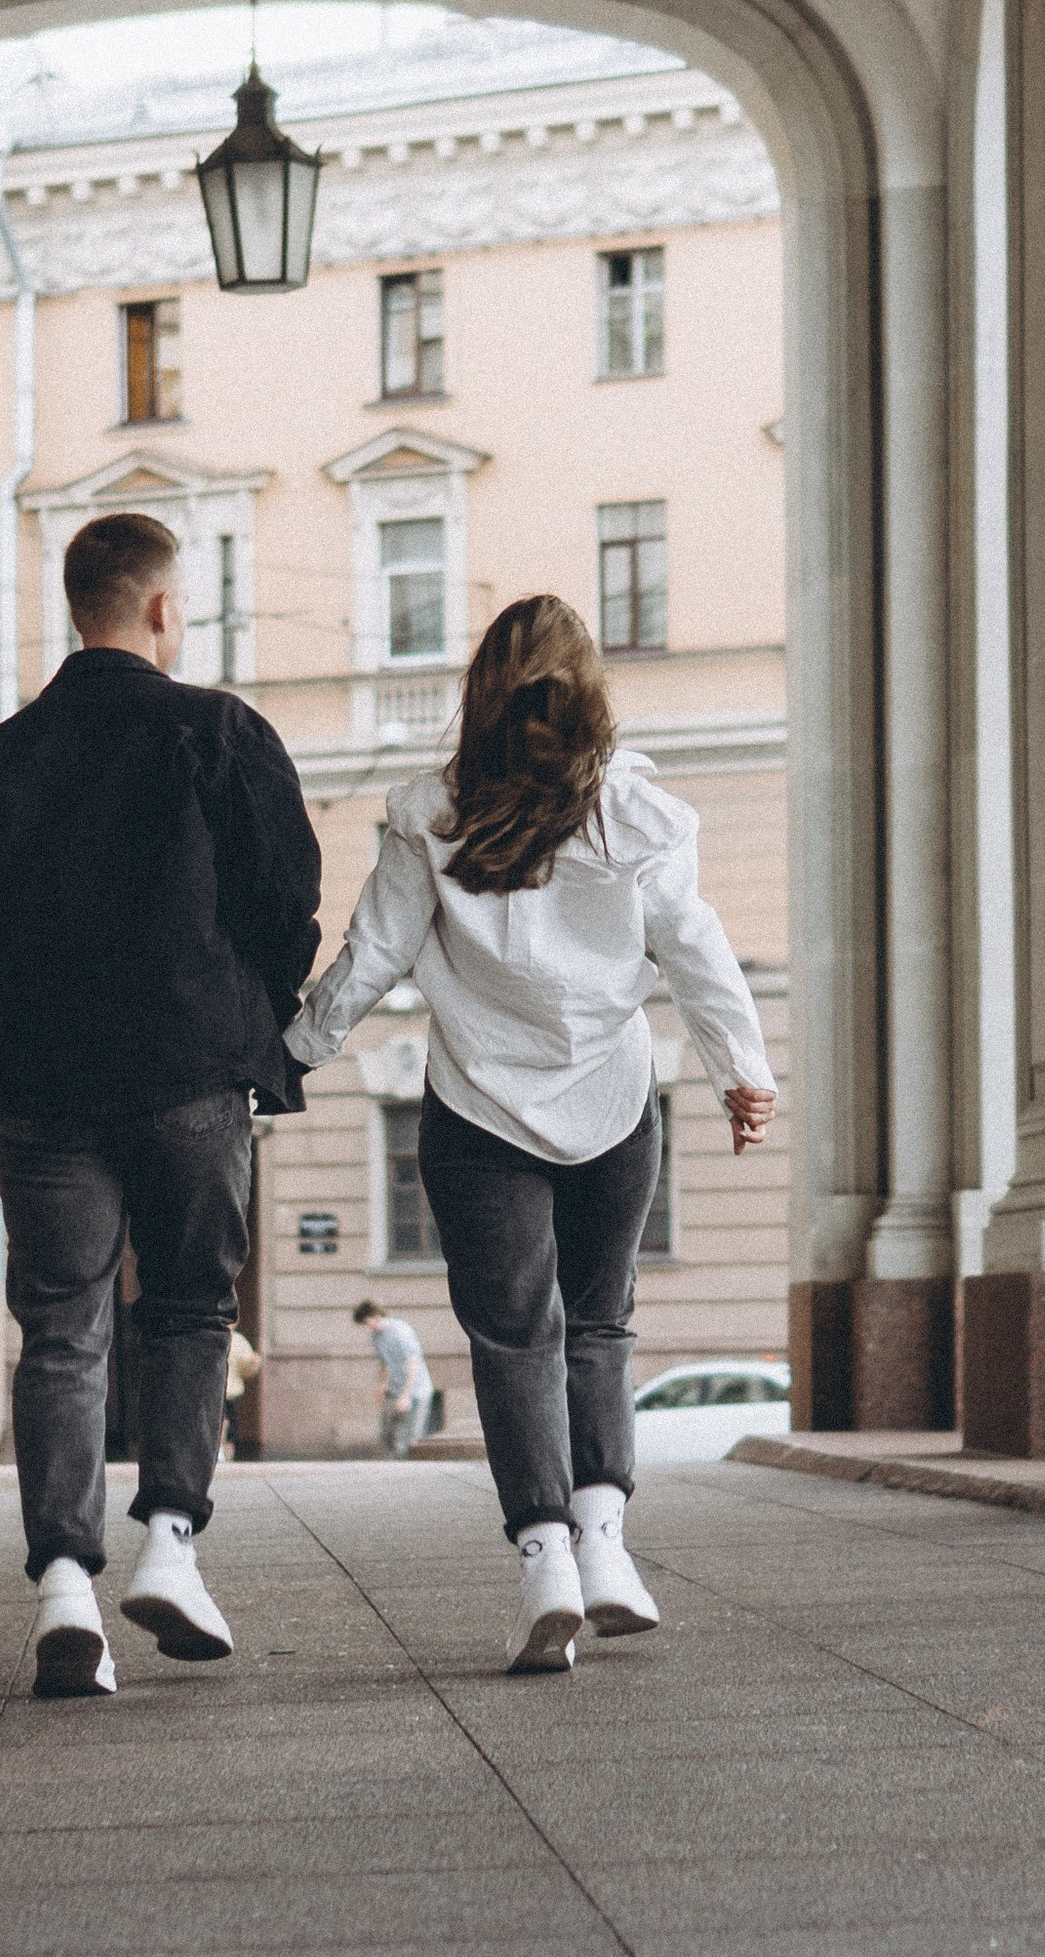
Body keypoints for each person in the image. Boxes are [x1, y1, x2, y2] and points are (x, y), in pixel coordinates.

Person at [286, 594, 775, 1673]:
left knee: (517, 1339)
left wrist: (293, 1054)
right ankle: (606, 1549)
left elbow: (370, 955)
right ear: (587, 692)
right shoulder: (638, 818)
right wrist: (742, 1073)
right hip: (613, 1108)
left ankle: (545, 1560)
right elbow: (696, 949)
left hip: (475, 1117)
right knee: (599, 1326)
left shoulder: (430, 816)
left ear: (479, 695)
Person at [0, 510, 321, 1698]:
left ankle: (62, 1587)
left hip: (41, 1082)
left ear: (74, 605)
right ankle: (170, 1544)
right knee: (192, 1308)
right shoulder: (217, 730)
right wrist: (243, 1002)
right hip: (188, 1067)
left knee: (62, 1327)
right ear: (161, 609)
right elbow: (286, 896)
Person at [355, 1297, 434, 1456]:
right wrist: (381, 1386)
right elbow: (385, 1363)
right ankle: (392, 1468)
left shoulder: (400, 1332)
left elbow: (413, 1364)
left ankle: (409, 1472)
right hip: (395, 1389)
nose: (366, 1327)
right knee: (388, 1434)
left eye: (366, 1322)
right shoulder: (376, 1336)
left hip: (416, 1391)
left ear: (376, 1315)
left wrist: (406, 1396)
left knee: (410, 1437)